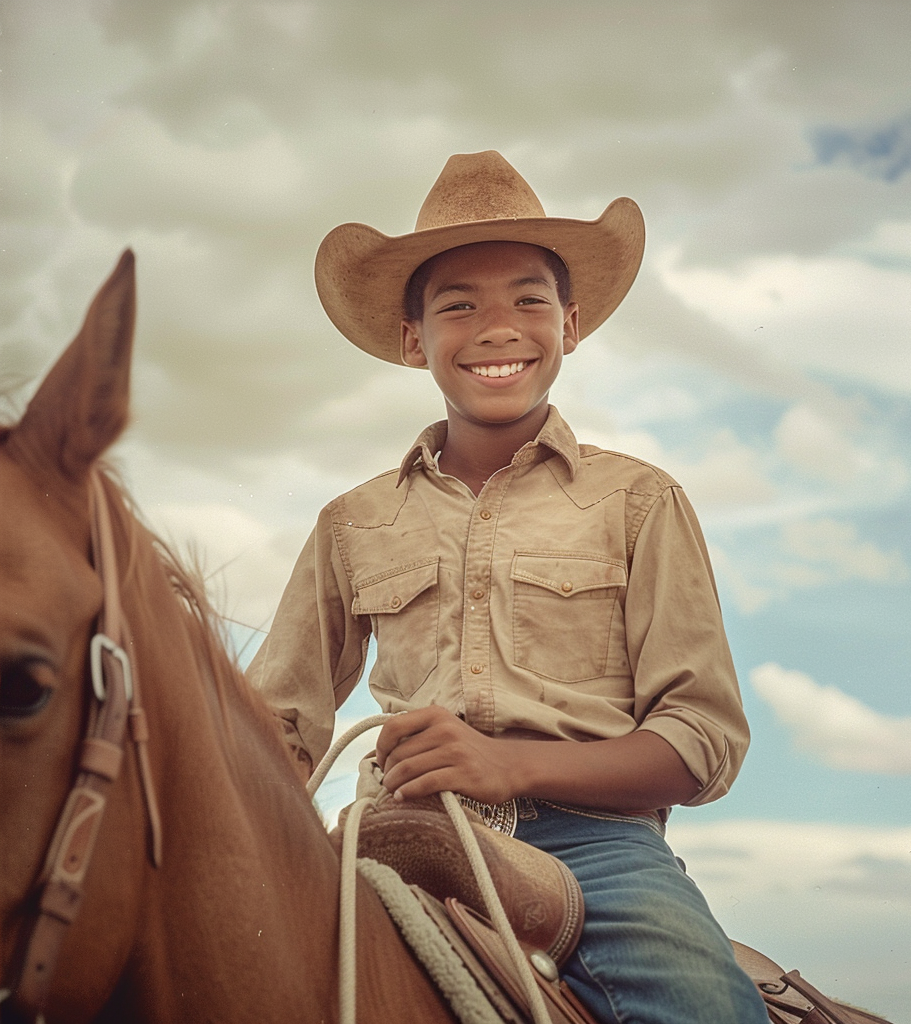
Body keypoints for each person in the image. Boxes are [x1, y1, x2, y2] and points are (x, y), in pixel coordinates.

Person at [247, 150, 769, 1024]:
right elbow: (276, 726)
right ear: (415, 339)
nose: (498, 328)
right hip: (398, 830)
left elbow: (701, 740)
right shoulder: (351, 523)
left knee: (704, 1006)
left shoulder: (639, 502)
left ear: (571, 324)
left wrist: (507, 763)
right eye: (459, 305)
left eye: (529, 301)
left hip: (596, 851)